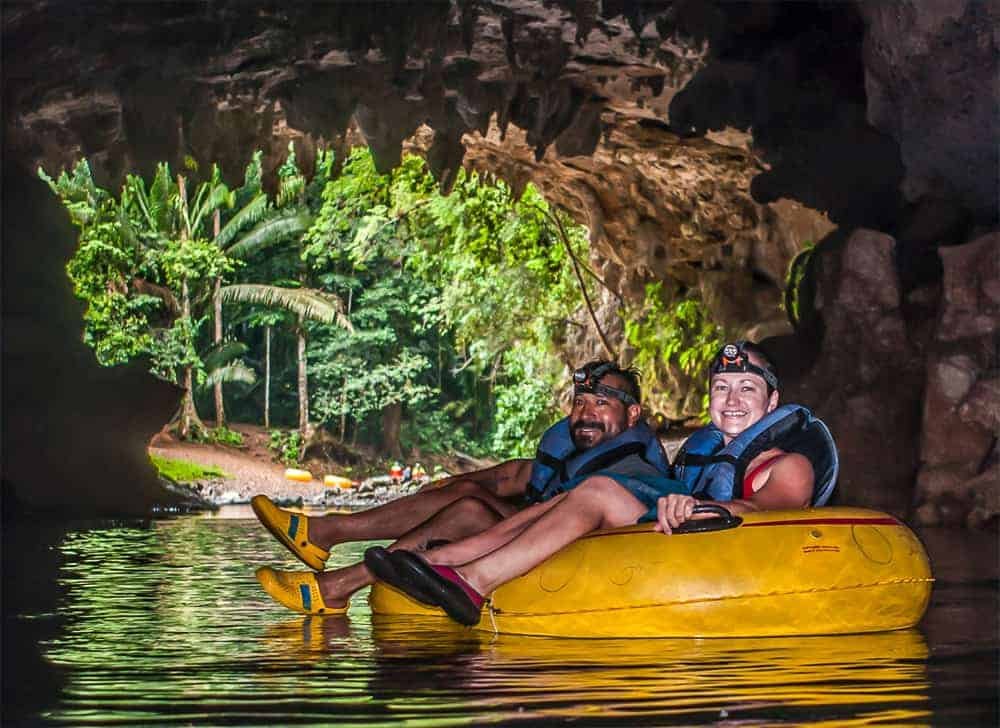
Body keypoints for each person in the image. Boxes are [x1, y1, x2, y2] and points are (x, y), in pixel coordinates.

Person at [367, 340, 837, 626]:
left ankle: (472, 581)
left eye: (747, 389)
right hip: (680, 535)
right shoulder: (704, 450)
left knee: (597, 490)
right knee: (582, 490)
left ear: (773, 401)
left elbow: (772, 511)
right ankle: (441, 561)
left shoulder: (789, 463)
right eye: (721, 389)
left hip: (723, 548)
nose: (731, 401)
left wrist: (705, 509)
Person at [254, 360, 678, 615]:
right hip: (531, 531)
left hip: (573, 552)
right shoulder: (570, 451)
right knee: (468, 500)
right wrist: (440, 487)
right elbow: (506, 477)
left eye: (601, 404)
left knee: (470, 511)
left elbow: (573, 506)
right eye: (580, 403)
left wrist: (450, 549)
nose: (586, 414)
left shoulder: (633, 465)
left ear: (633, 414)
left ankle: (335, 570)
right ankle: (327, 541)